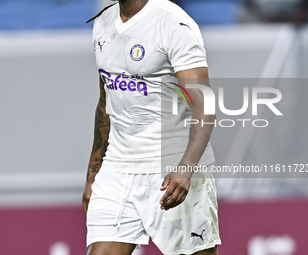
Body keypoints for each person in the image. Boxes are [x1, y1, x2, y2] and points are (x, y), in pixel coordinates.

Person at [82, 0, 221, 254]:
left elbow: (204, 105)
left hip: (171, 165)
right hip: (118, 167)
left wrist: (186, 168)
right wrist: (93, 174)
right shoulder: (103, 23)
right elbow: (105, 104)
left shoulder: (173, 23)